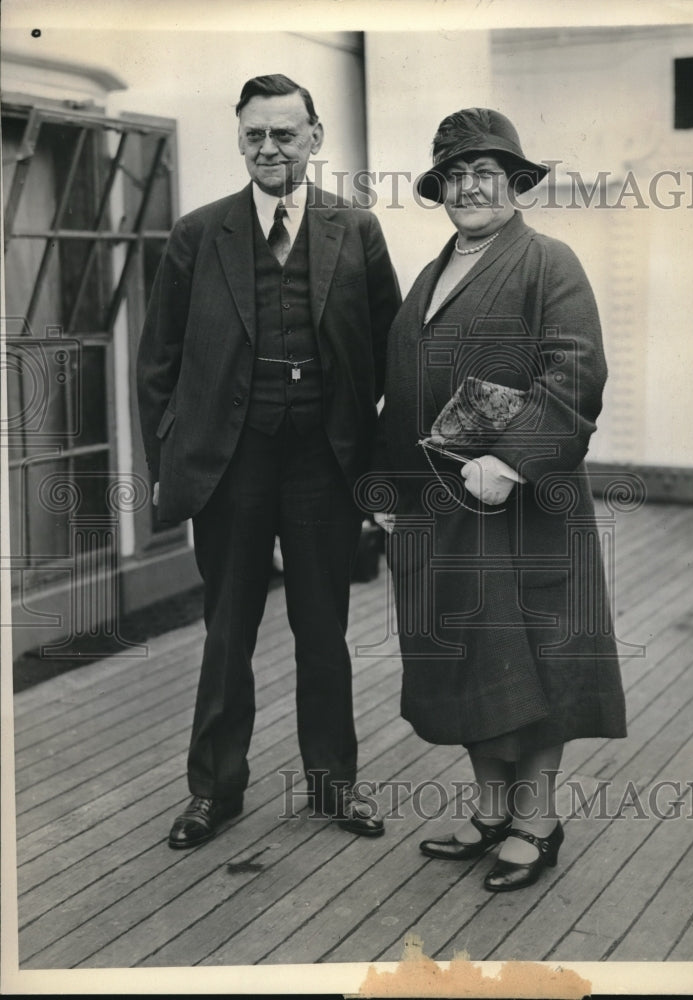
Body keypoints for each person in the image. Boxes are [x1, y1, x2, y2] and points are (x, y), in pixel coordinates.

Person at [137, 74, 401, 849]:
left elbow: (392, 356)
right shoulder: (198, 234)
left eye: (285, 133)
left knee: (324, 630)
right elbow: (157, 364)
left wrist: (381, 464)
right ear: (240, 138)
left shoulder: (356, 231)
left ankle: (332, 785)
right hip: (231, 463)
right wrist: (170, 457)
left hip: (325, 462)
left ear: (315, 138)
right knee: (227, 633)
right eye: (255, 134)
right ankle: (215, 792)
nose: (270, 148)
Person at [372, 108, 626, 892]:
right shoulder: (430, 273)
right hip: (442, 514)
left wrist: (512, 462)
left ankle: (537, 823)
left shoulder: (550, 262)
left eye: (488, 171)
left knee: (536, 662)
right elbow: (403, 392)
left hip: (523, 511)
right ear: (442, 188)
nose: (472, 185)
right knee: (470, 666)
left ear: (515, 183)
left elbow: (576, 372)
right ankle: (490, 815)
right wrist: (389, 488)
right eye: (457, 173)